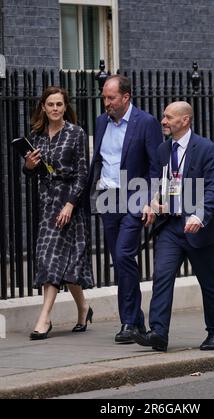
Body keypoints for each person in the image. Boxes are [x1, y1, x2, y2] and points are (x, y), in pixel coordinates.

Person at [133, 101, 214, 352]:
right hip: (171, 226)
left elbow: (211, 188)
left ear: (185, 120)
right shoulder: (163, 150)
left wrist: (198, 216)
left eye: (168, 117)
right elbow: (158, 182)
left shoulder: (205, 148)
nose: (163, 121)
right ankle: (158, 332)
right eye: (163, 116)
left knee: (208, 281)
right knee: (162, 276)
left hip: (198, 226)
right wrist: (151, 202)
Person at [87, 75, 163, 344]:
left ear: (126, 97)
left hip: (134, 197)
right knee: (121, 262)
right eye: (104, 97)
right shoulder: (101, 121)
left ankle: (129, 322)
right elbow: (100, 160)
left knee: (122, 255)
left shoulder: (146, 122)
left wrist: (150, 199)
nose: (106, 102)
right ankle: (136, 323)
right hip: (108, 198)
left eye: (111, 98)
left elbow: (156, 166)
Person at [24, 86, 94, 340]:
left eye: (59, 105)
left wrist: (70, 204)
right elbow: (34, 173)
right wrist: (29, 166)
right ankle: (84, 308)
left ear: (66, 107)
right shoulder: (38, 136)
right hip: (47, 204)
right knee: (52, 259)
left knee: (60, 260)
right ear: (43, 106)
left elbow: (83, 174)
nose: (55, 109)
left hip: (69, 205)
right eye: (51, 104)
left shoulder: (76, 133)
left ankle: (44, 319)